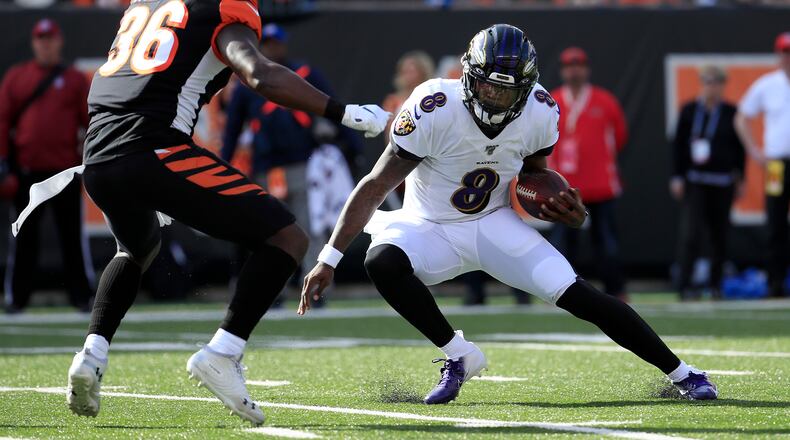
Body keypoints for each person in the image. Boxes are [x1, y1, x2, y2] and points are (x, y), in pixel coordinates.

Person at [12, 0, 389, 425]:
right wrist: (344, 112)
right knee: (288, 239)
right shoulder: (224, 8)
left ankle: (90, 355)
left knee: (136, 249)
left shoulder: (147, 3)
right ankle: (223, 353)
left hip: (98, 155)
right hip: (153, 146)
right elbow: (259, 74)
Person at [301, 24, 718, 405]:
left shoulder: (539, 111)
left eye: (508, 91)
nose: (497, 98)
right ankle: (459, 354)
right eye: (488, 87)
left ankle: (684, 373)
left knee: (579, 295)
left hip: (492, 222)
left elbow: (535, 174)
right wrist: (328, 258)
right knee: (382, 261)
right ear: (468, 77)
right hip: (427, 226)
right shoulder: (432, 105)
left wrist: (560, 207)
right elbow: (375, 185)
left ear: (527, 87)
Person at [222, 24, 363, 307]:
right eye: (269, 43)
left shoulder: (304, 74)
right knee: (269, 231)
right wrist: (225, 162)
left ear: (284, 45)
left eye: (277, 43)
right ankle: (271, 289)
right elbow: (233, 127)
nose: (273, 49)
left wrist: (353, 146)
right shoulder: (247, 81)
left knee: (309, 228)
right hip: (265, 168)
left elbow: (333, 104)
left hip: (303, 164)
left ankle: (314, 289)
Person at [0, 18, 94, 313]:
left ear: (59, 41)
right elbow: (2, 122)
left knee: (72, 238)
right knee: (24, 238)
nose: (46, 44)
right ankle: (17, 298)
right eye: (41, 39)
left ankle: (81, 296)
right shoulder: (18, 77)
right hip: (28, 172)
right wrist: (4, 165)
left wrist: (89, 159)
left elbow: (90, 121)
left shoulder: (75, 79)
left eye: (50, 38)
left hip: (64, 171)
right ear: (34, 43)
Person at [548, 47, 628, 300]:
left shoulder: (605, 101)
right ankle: (562, 292)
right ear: (562, 71)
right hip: (564, 186)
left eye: (579, 65)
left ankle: (615, 289)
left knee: (606, 242)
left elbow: (620, 137)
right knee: (563, 245)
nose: (574, 70)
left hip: (600, 184)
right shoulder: (552, 101)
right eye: (570, 66)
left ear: (587, 69)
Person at [672, 65, 745, 300]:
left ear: (724, 85)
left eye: (716, 82)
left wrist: (740, 176)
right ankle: (685, 285)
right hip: (695, 179)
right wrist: (677, 176)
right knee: (690, 234)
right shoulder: (690, 110)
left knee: (719, 235)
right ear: (701, 83)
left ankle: (715, 285)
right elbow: (678, 145)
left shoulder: (732, 112)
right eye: (707, 81)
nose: (711, 86)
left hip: (722, 181)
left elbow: (739, 147)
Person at [735, 32, 790, 298]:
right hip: (777, 164)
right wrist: (755, 151)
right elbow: (742, 117)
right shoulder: (768, 84)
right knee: (776, 221)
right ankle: (775, 282)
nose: (788, 57)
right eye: (785, 52)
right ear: (778, 55)